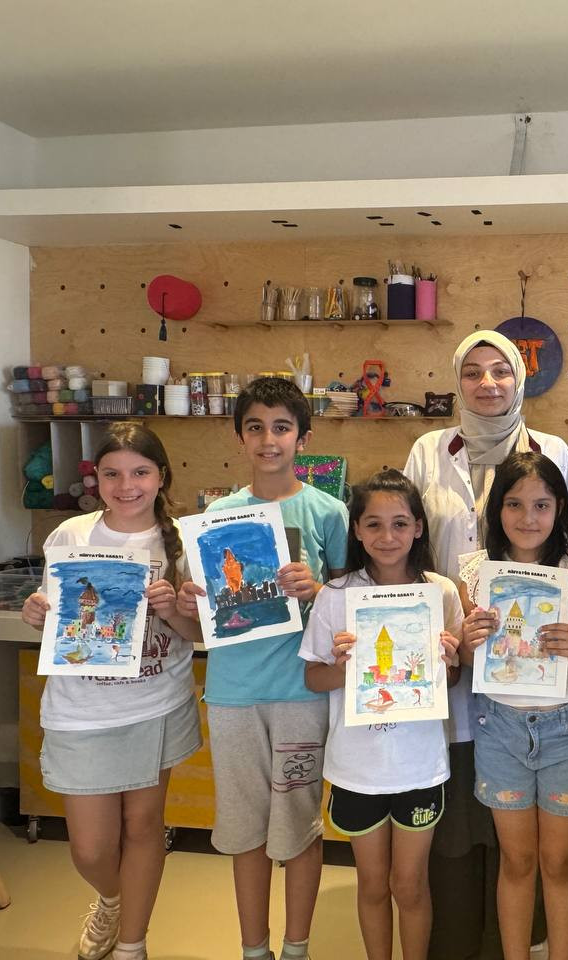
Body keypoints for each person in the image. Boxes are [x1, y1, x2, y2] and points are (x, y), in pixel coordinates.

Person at [404, 330, 568, 958]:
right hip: (453, 649)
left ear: (520, 379)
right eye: (473, 371)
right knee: (462, 799)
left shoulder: (552, 450)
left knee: (523, 811)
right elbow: (411, 546)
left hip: (528, 668)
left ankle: (526, 940)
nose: (487, 383)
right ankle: (459, 937)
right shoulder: (428, 450)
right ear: (457, 381)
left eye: (500, 370)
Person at [176, 377, 348, 960]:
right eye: (255, 428)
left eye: (281, 427)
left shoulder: (328, 512)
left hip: (301, 693)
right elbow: (202, 608)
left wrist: (317, 588)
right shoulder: (216, 516)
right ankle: (254, 949)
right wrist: (191, 599)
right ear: (240, 437)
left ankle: (297, 947)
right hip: (233, 693)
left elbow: (350, 601)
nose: (268, 440)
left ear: (304, 437)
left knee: (299, 825)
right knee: (243, 827)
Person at [21, 422, 202, 960]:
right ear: (95, 479)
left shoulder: (182, 541)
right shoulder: (70, 536)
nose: (127, 486)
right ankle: (112, 898)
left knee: (144, 828)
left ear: (161, 476)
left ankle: (132, 944)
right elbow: (58, 619)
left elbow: (197, 634)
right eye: (112, 474)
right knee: (90, 848)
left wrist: (171, 611)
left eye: (140, 472)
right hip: (81, 709)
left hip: (156, 703)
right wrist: (36, 612)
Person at [301, 469, 461, 960]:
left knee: (409, 884)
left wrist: (449, 662)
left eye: (400, 523)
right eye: (373, 524)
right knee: (371, 885)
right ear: (356, 530)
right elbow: (313, 678)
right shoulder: (335, 596)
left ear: (418, 528)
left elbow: (452, 681)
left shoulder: (441, 592)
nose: (387, 536)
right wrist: (344, 667)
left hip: (419, 766)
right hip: (357, 769)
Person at [459, 451, 568, 960]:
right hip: (500, 726)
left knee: (560, 862)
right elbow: (467, 658)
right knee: (517, 860)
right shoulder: (477, 572)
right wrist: (468, 641)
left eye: (542, 505)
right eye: (515, 504)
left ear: (560, 507)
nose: (528, 517)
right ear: (497, 509)